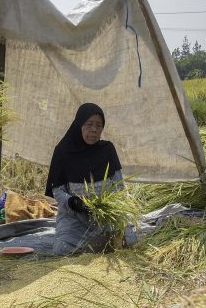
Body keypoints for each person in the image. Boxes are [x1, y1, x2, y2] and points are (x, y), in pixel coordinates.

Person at [45, 103, 137, 254]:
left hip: (106, 218)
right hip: (75, 219)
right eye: (89, 124)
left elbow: (119, 187)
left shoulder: (107, 150)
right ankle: (99, 245)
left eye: (99, 125)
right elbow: (58, 191)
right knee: (62, 248)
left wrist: (109, 206)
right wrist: (75, 203)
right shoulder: (63, 152)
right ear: (79, 125)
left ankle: (102, 242)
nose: (94, 129)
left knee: (131, 239)